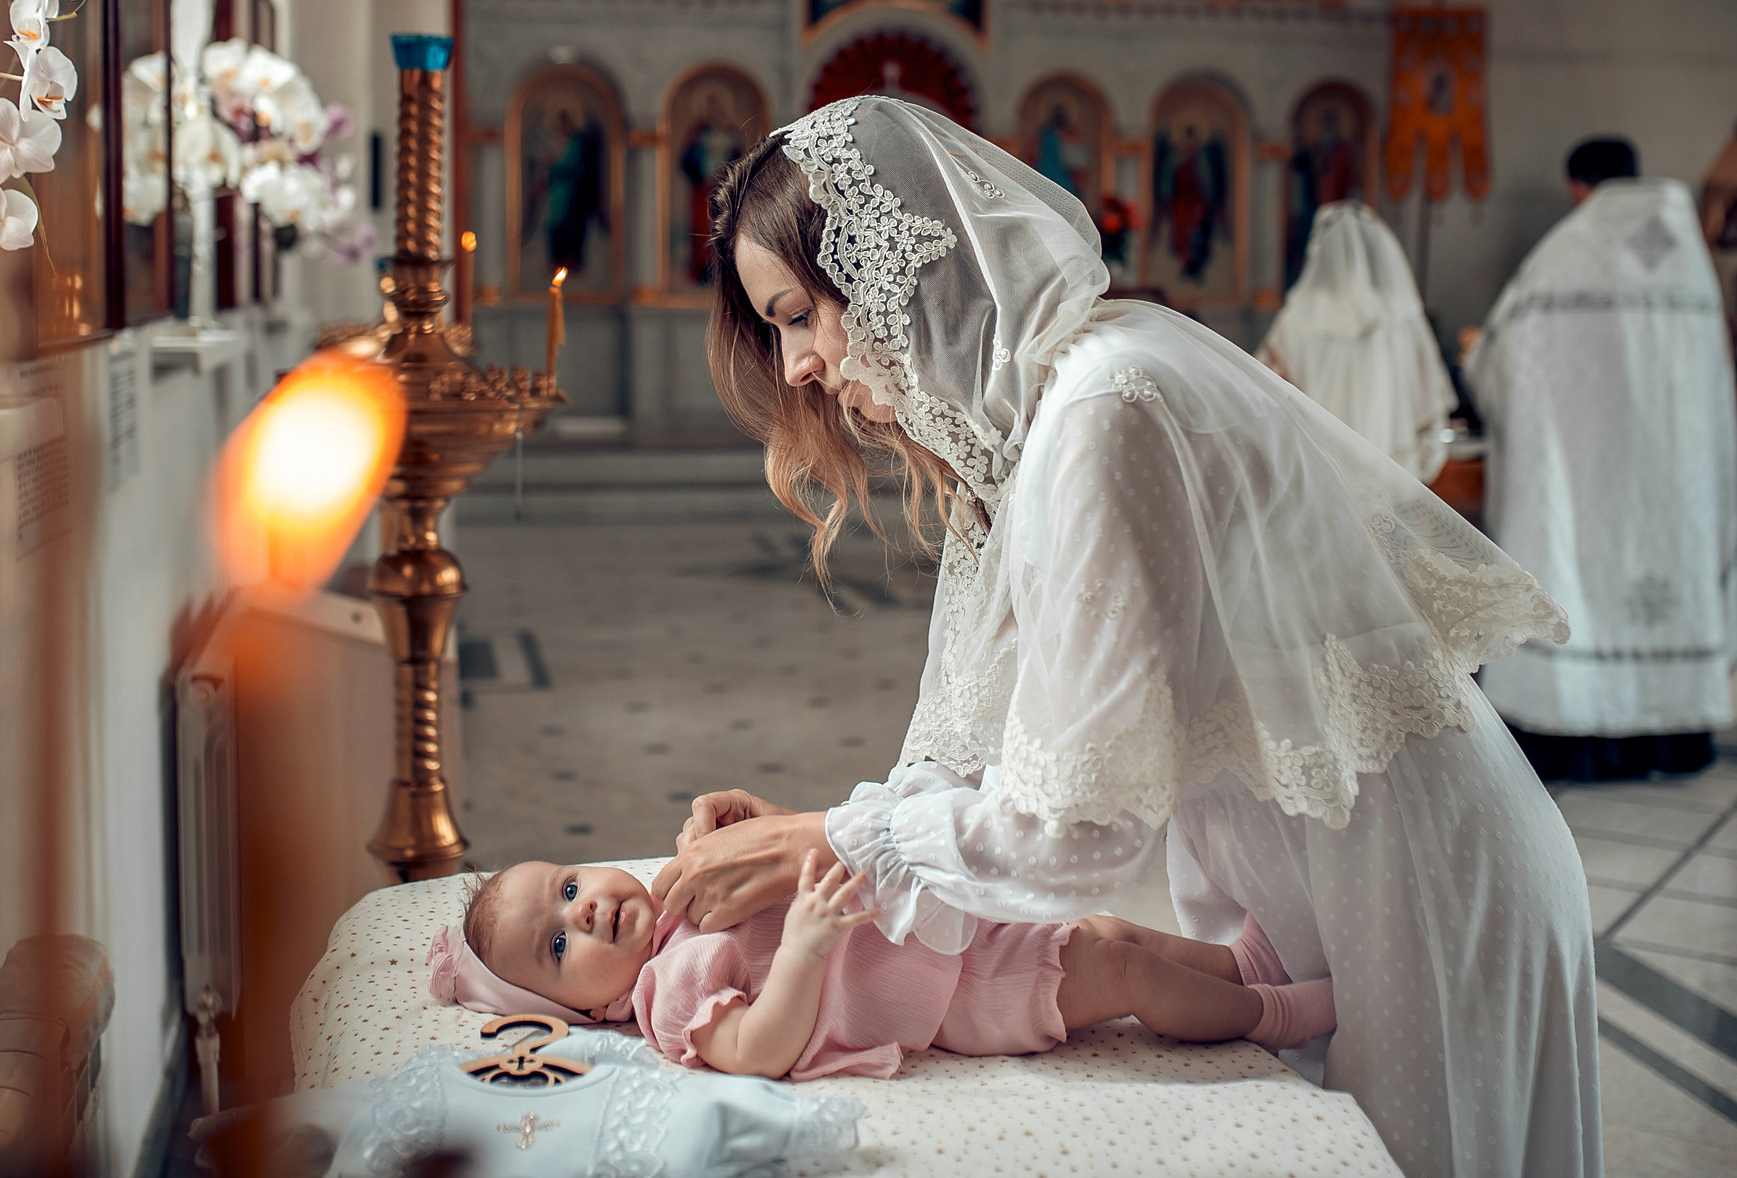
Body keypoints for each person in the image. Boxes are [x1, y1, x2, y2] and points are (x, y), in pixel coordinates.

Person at [655, 96, 1600, 1176]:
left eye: (793, 316)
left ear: (885, 268)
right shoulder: (1033, 419)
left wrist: (840, 842)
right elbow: (971, 738)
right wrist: (814, 836)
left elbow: (1077, 834)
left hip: (1416, 886)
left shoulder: (1107, 411)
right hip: (1310, 893)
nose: (794, 368)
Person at [429, 854, 1337, 1081]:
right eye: (560, 946)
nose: (585, 911)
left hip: (948, 934)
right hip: (961, 994)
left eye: (570, 887)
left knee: (1105, 931)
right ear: (591, 1012)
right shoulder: (669, 991)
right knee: (1119, 973)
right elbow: (758, 1048)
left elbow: (793, 868)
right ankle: (1272, 1019)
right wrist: (804, 951)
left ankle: (1237, 964)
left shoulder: (677, 899)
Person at [1464, 136, 1735, 780]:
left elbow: (1501, 359)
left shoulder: (1567, 253)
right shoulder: (1687, 258)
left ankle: (1579, 734)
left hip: (1583, 473)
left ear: (1579, 187)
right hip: (1673, 476)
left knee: (1577, 577)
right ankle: (1669, 741)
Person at [1259, 201, 1457, 482]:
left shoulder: (1298, 317)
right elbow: (1428, 403)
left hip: (1320, 472)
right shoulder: (1402, 318)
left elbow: (1268, 391)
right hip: (1389, 473)